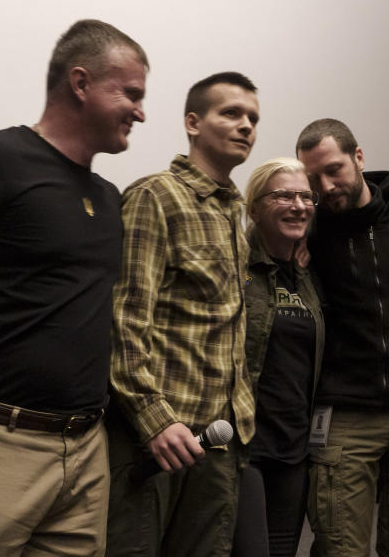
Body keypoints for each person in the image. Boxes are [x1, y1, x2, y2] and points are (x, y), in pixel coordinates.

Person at [0, 19, 147, 556]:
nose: (140, 111)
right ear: (81, 83)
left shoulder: (110, 199)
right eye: (130, 93)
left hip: (85, 452)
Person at [108, 72, 260, 557]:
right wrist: (153, 419)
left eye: (253, 118)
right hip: (156, 439)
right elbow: (125, 318)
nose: (246, 126)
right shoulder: (156, 196)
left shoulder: (234, 215)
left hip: (219, 441)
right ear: (193, 123)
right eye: (231, 113)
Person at [295, 118, 389, 556]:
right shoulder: (310, 232)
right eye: (312, 179)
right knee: (341, 547)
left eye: (334, 169)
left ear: (359, 158)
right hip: (344, 416)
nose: (325, 185)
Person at [232, 158, 325, 557]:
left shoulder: (307, 278)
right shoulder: (236, 268)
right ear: (254, 208)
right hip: (246, 446)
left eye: (305, 196)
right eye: (283, 195)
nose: (298, 205)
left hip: (295, 448)